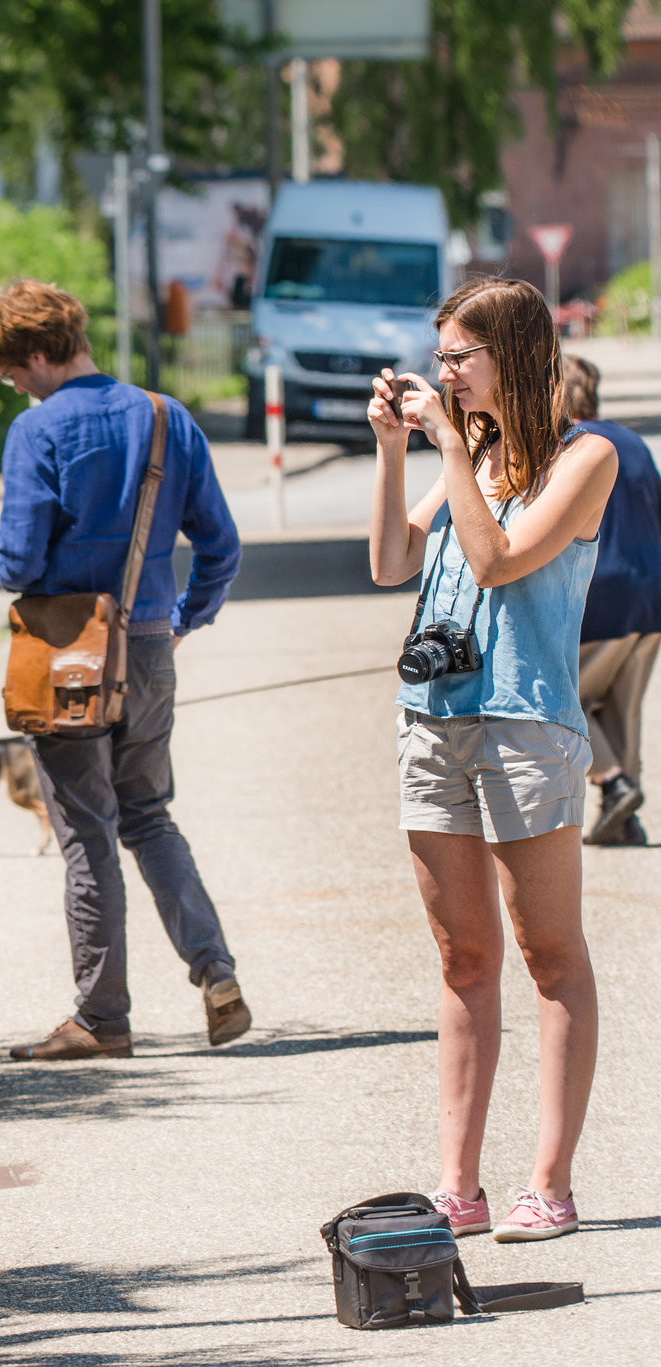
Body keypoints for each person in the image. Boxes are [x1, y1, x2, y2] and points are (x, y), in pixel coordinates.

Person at [369, 277, 617, 1243]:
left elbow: (499, 561)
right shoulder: (468, 451)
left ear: (508, 355)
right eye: (436, 359)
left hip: (527, 722)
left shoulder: (583, 457)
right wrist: (398, 453)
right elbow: (394, 563)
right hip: (434, 717)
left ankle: (548, 1183)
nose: (441, 375)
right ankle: (456, 1187)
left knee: (549, 954)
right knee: (462, 954)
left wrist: (445, 446)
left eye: (456, 359)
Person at [0, 279, 249, 1062]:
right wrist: (184, 617)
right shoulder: (169, 418)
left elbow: (18, 560)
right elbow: (222, 546)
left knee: (87, 832)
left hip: (69, 657)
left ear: (37, 354)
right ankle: (217, 972)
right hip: (152, 644)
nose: (17, 388)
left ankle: (102, 1017)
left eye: (14, 374)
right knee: (149, 814)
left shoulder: (37, 432)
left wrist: (9, 562)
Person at [559, 354, 661, 847]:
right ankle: (626, 814)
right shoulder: (634, 443)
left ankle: (615, 782)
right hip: (650, 592)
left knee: (565, 698)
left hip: (596, 593)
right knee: (625, 706)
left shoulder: (565, 445)